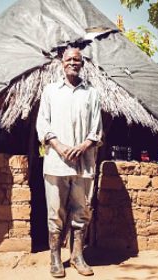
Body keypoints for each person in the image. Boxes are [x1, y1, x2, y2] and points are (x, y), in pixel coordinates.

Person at [36, 47, 102, 278]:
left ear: (82, 64)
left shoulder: (91, 93)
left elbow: (96, 129)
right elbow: (42, 124)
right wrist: (60, 146)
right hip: (56, 163)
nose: (73, 62)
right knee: (55, 213)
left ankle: (77, 256)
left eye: (78, 60)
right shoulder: (50, 91)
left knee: (81, 213)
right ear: (62, 63)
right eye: (69, 59)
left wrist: (83, 146)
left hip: (83, 165)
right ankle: (55, 258)